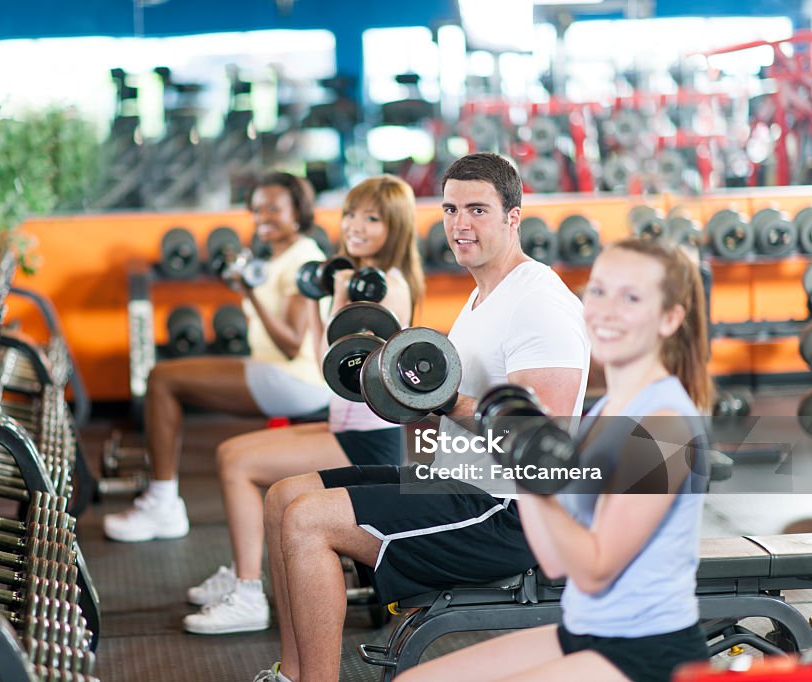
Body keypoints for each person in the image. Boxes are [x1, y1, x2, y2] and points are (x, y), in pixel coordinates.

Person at [252, 153, 591, 682]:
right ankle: (291, 675)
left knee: (309, 520)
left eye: (477, 210)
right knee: (283, 498)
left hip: (510, 512)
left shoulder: (539, 302)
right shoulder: (482, 296)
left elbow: (539, 439)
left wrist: (447, 403)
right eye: (451, 209)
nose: (460, 224)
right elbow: (449, 410)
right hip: (461, 483)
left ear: (513, 217)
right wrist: (403, 398)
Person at [396, 237, 712, 682]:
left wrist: (533, 475)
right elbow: (556, 561)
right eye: (599, 290)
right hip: (585, 631)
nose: (606, 309)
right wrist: (523, 462)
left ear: (670, 318)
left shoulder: (662, 424)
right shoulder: (607, 412)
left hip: (645, 653)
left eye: (632, 297)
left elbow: (596, 570)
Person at [182, 174, 426, 635]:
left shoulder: (388, 288)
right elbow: (325, 365)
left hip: (369, 441)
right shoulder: (355, 281)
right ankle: (241, 574)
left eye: (371, 218)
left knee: (239, 466)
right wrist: (324, 302)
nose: (355, 225)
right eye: (351, 214)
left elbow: (356, 379)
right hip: (345, 427)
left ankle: (250, 595)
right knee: (230, 452)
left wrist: (336, 297)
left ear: (394, 227)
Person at [104, 172, 331, 543]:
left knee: (162, 380)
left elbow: (292, 342)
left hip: (295, 378)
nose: (262, 217)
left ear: (298, 212)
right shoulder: (280, 256)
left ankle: (163, 504)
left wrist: (251, 293)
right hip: (275, 370)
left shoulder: (303, 258)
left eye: (273, 208)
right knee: (164, 378)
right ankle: (162, 500)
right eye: (256, 209)